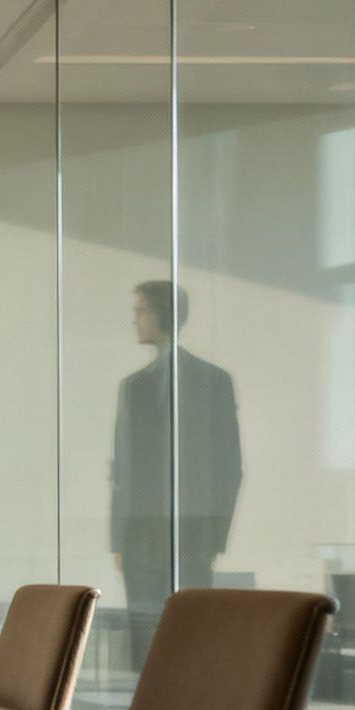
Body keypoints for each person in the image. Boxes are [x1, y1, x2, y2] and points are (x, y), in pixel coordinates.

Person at [110, 281, 242, 669]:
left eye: (141, 311)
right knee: (145, 650)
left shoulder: (211, 381)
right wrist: (120, 538)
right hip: (140, 537)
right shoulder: (132, 387)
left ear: (163, 315)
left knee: (190, 641)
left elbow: (228, 466)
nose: (134, 320)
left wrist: (214, 536)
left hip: (191, 534)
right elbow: (123, 469)